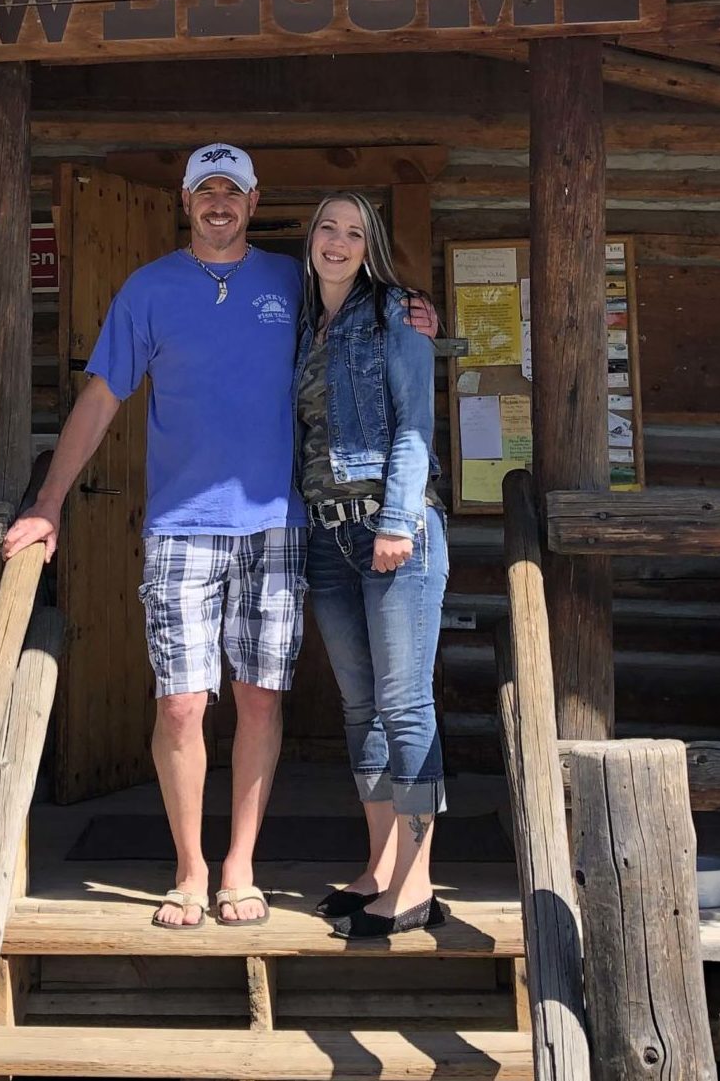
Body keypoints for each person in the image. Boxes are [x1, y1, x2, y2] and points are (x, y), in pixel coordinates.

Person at [3, 145, 433, 932]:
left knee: (261, 700)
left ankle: (239, 866)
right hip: (181, 529)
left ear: (254, 198)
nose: (220, 203)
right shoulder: (148, 289)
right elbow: (101, 399)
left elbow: (362, 305)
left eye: (233, 191)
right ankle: (190, 869)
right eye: (207, 191)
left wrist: (416, 308)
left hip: (277, 521)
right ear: (186, 199)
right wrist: (49, 500)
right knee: (179, 705)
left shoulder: (290, 280)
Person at [295, 191, 449, 938]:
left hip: (395, 533)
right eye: (328, 226)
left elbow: (415, 423)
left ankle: (417, 882)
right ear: (310, 236)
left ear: (371, 245)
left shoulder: (396, 312)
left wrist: (396, 518)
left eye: (354, 231)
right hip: (328, 537)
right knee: (362, 710)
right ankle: (380, 865)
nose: (338, 240)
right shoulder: (301, 323)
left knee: (405, 703)